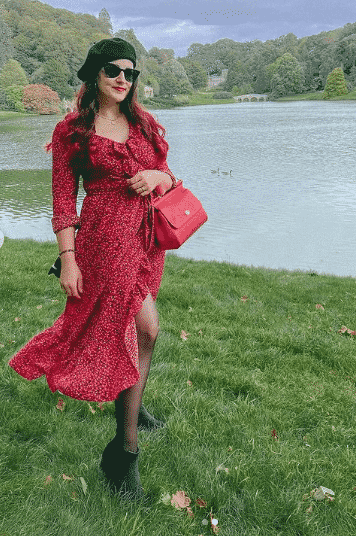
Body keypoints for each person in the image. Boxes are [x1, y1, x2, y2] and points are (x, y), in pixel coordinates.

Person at [8, 38, 177, 501]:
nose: (123, 79)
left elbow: (169, 175)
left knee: (140, 332)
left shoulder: (143, 124)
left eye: (130, 72)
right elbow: (64, 202)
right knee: (146, 326)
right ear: (94, 75)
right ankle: (124, 454)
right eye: (113, 71)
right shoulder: (73, 131)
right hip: (104, 242)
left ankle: (133, 407)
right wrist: (68, 260)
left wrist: (158, 177)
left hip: (145, 241)